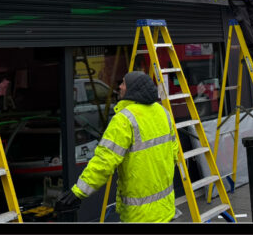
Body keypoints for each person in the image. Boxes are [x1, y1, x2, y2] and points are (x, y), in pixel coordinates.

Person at [55, 71, 177, 222]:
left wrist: (79, 192)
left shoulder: (124, 120)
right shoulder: (163, 112)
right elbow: (174, 153)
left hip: (140, 216)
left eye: (124, 83)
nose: (120, 87)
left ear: (133, 89)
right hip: (165, 209)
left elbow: (104, 162)